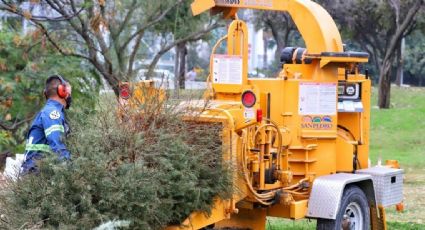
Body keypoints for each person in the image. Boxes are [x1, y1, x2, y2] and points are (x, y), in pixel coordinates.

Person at [21, 75, 72, 174]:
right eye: (70, 93)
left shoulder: (48, 111)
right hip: (37, 176)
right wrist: (73, 170)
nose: (70, 96)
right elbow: (58, 146)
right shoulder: (52, 113)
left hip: (35, 174)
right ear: (62, 91)